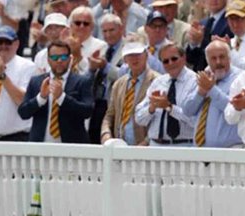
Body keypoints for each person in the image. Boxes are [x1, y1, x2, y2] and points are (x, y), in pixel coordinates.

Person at [18, 40, 94, 143]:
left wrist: (62, 98)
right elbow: (23, 113)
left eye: (63, 57)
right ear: (48, 60)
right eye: (54, 57)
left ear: (70, 59)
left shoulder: (82, 81)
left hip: (72, 147)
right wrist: (40, 98)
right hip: (40, 146)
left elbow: (87, 111)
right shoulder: (36, 81)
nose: (59, 61)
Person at [135, 42, 197, 146]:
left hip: (184, 146)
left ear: (184, 58)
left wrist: (169, 108)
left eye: (174, 59)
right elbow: (139, 119)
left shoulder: (195, 82)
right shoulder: (158, 82)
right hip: (156, 146)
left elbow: (196, 120)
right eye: (165, 61)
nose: (170, 63)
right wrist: (151, 108)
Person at [183, 40, 241, 148]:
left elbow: (233, 108)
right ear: (207, 61)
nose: (218, 62)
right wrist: (200, 93)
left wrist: (211, 89)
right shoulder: (203, 77)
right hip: (200, 152)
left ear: (229, 58)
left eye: (222, 57)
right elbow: (187, 111)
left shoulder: (240, 78)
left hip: (229, 151)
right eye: (213, 58)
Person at [101, 41, 160, 145]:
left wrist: (146, 142)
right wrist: (106, 134)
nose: (134, 58)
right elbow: (110, 115)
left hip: (147, 147)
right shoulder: (119, 84)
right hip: (120, 146)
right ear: (125, 59)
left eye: (138, 54)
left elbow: (159, 119)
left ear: (146, 55)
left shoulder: (158, 81)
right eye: (130, 55)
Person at [89, 13, 126, 144]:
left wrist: (105, 66)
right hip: (97, 102)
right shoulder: (102, 48)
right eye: (105, 31)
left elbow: (125, 75)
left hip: (115, 103)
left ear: (121, 29)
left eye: (112, 30)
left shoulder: (127, 48)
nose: (108, 34)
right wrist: (93, 68)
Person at [186, 0, 232, 72]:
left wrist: (201, 41)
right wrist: (194, 43)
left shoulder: (231, 20)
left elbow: (221, 54)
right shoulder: (203, 22)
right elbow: (190, 59)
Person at [225, 0, 245, 71]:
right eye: (231, 19)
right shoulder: (230, 43)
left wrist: (230, 51)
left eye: (239, 19)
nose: (235, 24)